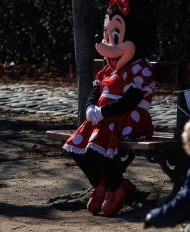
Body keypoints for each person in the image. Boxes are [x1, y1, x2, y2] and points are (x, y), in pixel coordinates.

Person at [63, 0, 156, 216]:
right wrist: (90, 108)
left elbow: (131, 99)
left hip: (130, 119)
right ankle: (104, 185)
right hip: (107, 119)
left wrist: (104, 112)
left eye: (115, 37)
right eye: (107, 36)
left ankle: (116, 187)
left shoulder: (141, 69)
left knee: (98, 143)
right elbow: (94, 94)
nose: (107, 44)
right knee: (79, 145)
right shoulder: (108, 70)